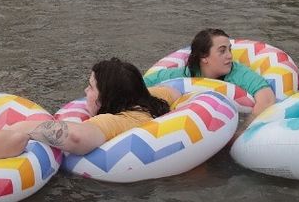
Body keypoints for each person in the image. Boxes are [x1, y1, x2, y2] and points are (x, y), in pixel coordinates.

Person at [10, 58, 181, 155]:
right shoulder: (155, 99)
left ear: (107, 97)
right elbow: (173, 92)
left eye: (91, 87)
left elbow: (76, 137)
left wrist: (19, 128)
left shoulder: (117, 121)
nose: (85, 90)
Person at [143, 28, 277, 124]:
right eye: (222, 51)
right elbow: (141, 84)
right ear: (204, 57)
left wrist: (242, 131)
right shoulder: (183, 75)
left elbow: (267, 99)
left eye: (229, 50)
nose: (229, 55)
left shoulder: (238, 73)